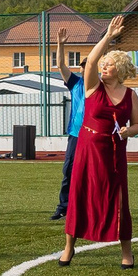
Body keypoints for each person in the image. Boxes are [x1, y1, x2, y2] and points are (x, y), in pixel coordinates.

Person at [62, 16, 138, 266]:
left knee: (119, 201)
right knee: (79, 195)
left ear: (120, 69)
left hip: (115, 153)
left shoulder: (131, 95)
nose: (103, 67)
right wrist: (107, 37)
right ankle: (69, 247)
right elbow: (92, 60)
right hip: (87, 149)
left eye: (109, 64)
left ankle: (126, 252)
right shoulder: (92, 86)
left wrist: (129, 132)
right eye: (103, 64)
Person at [49, 61, 87, 223]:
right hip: (75, 134)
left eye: (87, 65)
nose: (84, 69)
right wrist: (60, 44)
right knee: (69, 171)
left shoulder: (102, 86)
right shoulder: (76, 84)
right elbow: (61, 66)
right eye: (82, 66)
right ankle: (64, 207)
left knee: (92, 173)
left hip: (93, 135)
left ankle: (90, 208)